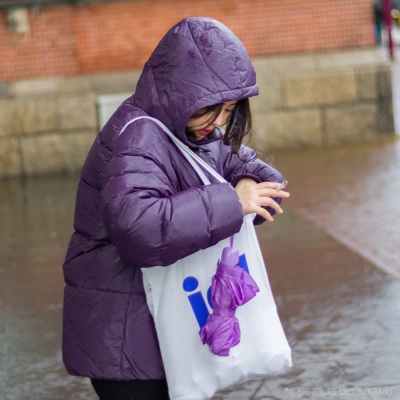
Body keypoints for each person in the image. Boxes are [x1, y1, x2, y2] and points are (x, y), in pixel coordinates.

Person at [62, 17, 289, 400]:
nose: (219, 122)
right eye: (210, 109)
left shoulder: (189, 130)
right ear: (180, 93)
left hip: (157, 322)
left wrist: (248, 182)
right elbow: (139, 229)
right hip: (126, 335)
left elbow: (259, 178)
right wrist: (231, 201)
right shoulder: (141, 135)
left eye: (230, 110)